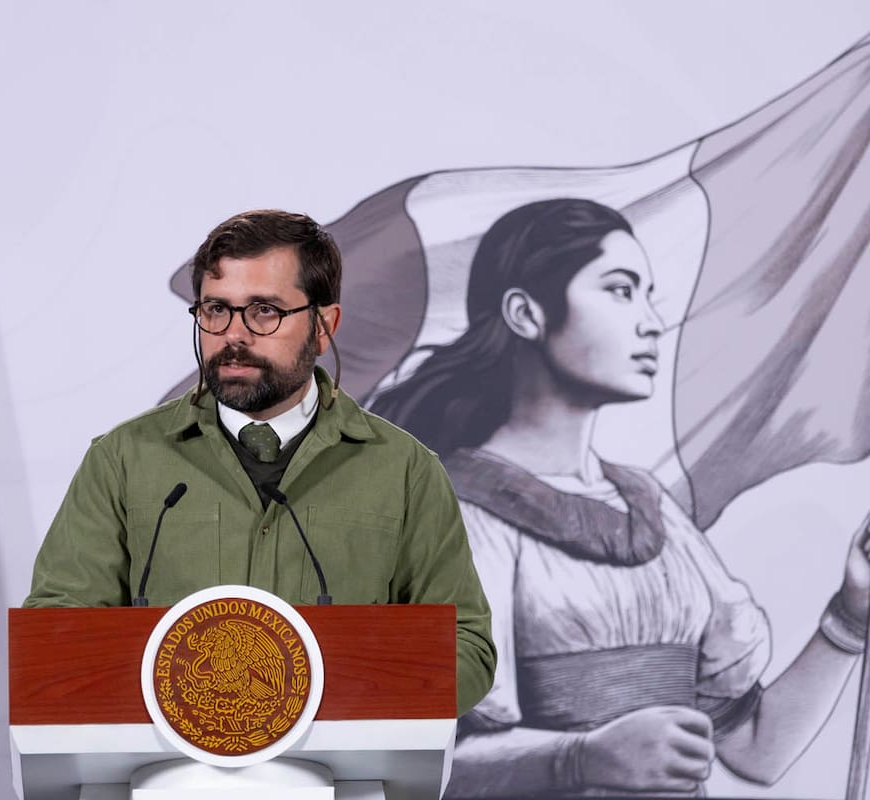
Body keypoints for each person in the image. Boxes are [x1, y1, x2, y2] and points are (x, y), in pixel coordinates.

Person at [369, 198, 870, 797]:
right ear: (526, 314)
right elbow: (404, 765)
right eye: (621, 289)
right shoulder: (448, 510)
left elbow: (756, 749)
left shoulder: (650, 507)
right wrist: (578, 760)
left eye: (648, 292)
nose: (652, 321)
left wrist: (852, 615)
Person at [24, 208, 497, 715]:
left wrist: (319, 702)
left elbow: (466, 649)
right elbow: (58, 633)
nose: (234, 335)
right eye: (215, 311)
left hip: (340, 783)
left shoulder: (404, 470)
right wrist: (196, 709)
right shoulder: (122, 460)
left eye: (265, 311)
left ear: (323, 326)